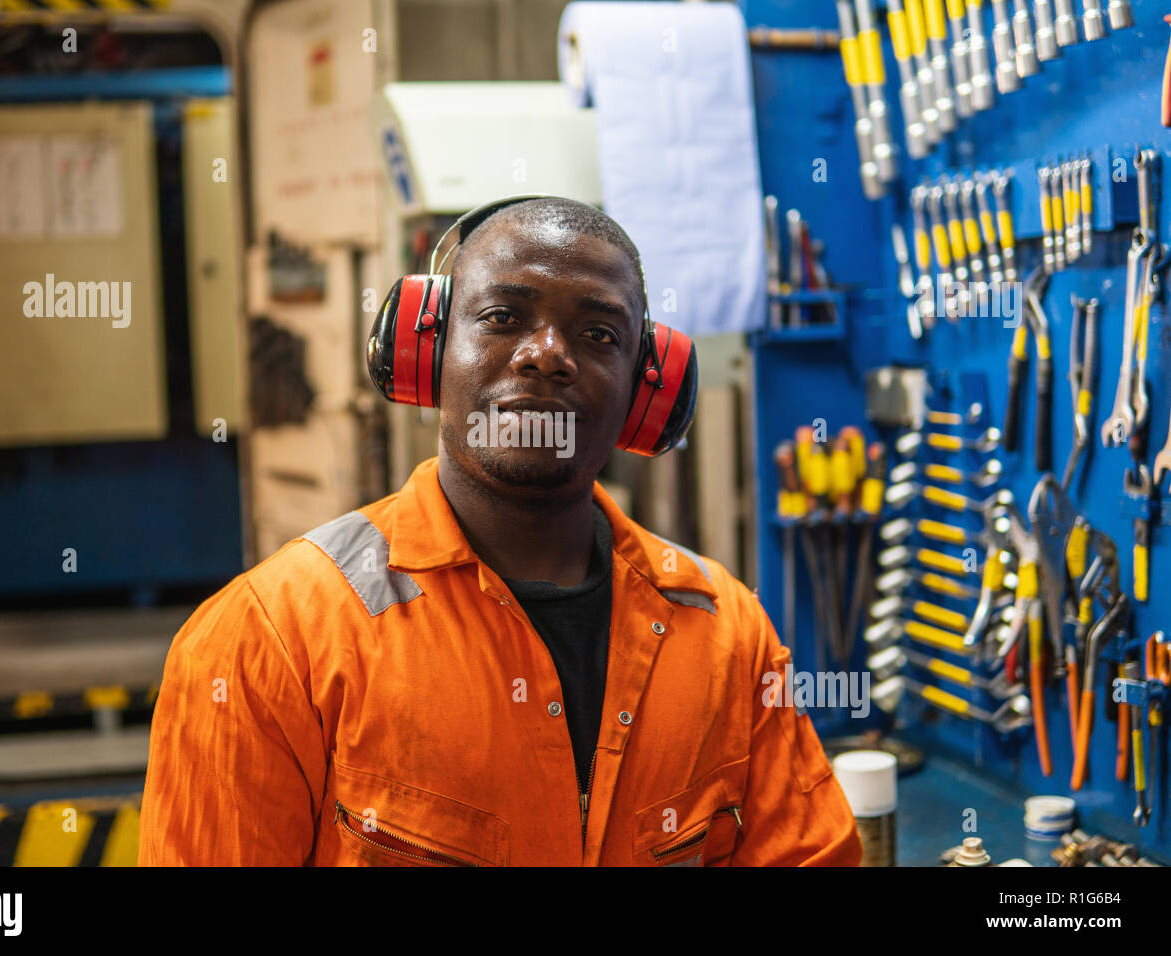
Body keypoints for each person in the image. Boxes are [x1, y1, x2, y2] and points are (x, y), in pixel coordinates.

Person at [139, 196, 862, 866]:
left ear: (649, 391)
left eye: (599, 333)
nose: (547, 353)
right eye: (503, 318)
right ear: (426, 352)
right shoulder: (268, 642)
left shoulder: (728, 633)